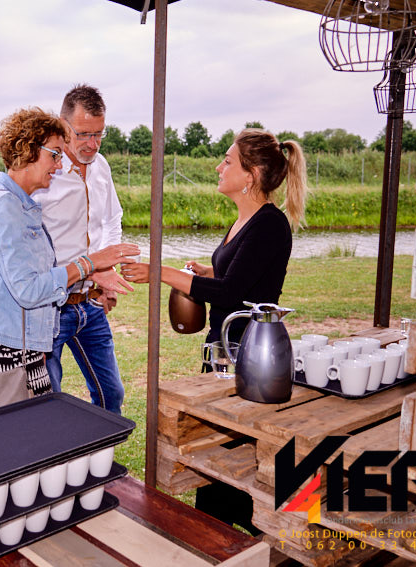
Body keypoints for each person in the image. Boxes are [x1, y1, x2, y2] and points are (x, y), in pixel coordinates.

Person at [121, 128, 307, 534]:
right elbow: (237, 277)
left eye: (227, 161)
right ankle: (215, 534)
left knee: (234, 457)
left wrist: (160, 272)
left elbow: (231, 293)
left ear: (250, 175)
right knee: (214, 456)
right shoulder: (245, 219)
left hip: (248, 355)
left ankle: (243, 538)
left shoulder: (270, 224)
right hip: (224, 349)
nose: (219, 167)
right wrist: (209, 270)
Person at [0, 107, 137, 402]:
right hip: (8, 352)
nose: (58, 164)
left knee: (45, 421)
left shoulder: (18, 205)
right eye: (55, 154)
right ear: (28, 151)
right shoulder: (5, 208)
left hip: (23, 346)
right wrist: (90, 264)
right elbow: (28, 290)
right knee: (23, 427)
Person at [32, 85, 127, 414]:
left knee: (112, 395)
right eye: (84, 134)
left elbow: (112, 219)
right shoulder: (45, 172)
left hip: (91, 303)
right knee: (48, 402)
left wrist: (107, 273)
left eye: (99, 134)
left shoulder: (101, 167)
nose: (93, 144)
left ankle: (104, 450)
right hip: (51, 307)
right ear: (63, 125)